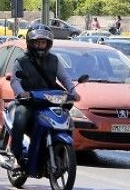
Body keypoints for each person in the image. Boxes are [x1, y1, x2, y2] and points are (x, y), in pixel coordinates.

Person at [7, 26, 80, 170]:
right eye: (37, 42)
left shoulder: (54, 60)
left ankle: (58, 151)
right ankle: (16, 155)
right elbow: (14, 80)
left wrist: (73, 91)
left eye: (43, 42)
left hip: (49, 100)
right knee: (20, 119)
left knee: (67, 119)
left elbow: (64, 77)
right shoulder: (21, 61)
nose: (40, 46)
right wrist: (21, 93)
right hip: (29, 101)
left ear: (48, 44)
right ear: (30, 43)